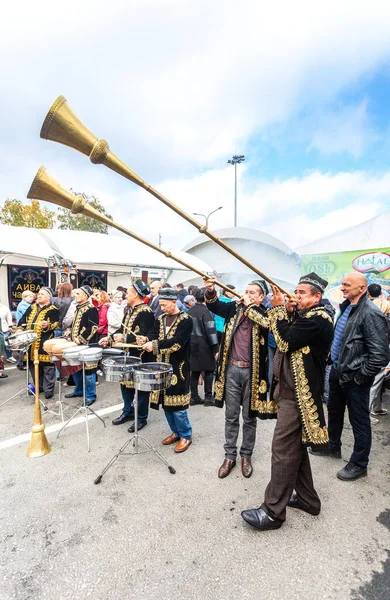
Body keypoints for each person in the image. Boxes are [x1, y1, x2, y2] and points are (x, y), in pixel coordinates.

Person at [241, 273, 334, 531]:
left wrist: (279, 308)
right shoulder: (306, 316)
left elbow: (285, 339)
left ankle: (273, 512)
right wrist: (288, 310)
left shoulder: (320, 319)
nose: (297, 295)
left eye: (302, 293)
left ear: (317, 297)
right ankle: (308, 500)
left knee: (282, 452)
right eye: (296, 291)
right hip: (288, 394)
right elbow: (287, 330)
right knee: (296, 450)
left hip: (298, 398)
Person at [312, 272, 389, 481]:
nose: (343, 287)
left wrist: (359, 377)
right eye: (343, 284)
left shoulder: (371, 313)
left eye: (348, 285)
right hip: (338, 371)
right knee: (334, 412)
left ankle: (359, 463)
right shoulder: (347, 306)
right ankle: (333, 447)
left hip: (355, 378)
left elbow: (380, 355)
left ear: (362, 289)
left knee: (359, 420)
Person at [204, 278, 270, 479]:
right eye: (246, 291)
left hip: (253, 373)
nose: (247, 295)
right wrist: (210, 290)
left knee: (249, 417)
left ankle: (246, 456)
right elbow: (214, 305)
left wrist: (250, 306)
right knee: (231, 415)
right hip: (231, 369)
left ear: (261, 297)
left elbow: (267, 324)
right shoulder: (234, 308)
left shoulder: (266, 314)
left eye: (252, 293)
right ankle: (229, 456)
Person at [139, 287, 193, 453]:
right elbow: (153, 334)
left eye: (164, 305)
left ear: (173, 301)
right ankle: (175, 432)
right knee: (165, 402)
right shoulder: (161, 318)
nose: (162, 308)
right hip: (160, 366)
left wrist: (153, 345)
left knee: (177, 405)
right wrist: (146, 339)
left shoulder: (186, 320)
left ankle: (186, 435)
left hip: (178, 367)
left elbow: (177, 343)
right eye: (160, 305)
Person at [101, 280, 154, 431]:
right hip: (128, 353)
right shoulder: (130, 309)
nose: (126, 297)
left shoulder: (145, 311)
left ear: (136, 295)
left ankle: (141, 417)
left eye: (129, 294)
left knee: (141, 387)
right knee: (125, 384)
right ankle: (128, 411)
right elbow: (122, 331)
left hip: (141, 355)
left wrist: (123, 339)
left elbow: (143, 335)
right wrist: (110, 338)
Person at [18, 287, 59, 399]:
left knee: (47, 367)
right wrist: (19, 329)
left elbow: (55, 323)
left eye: (42, 294)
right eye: (39, 294)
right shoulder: (31, 308)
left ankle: (48, 389)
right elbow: (22, 321)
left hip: (45, 342)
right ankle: (39, 386)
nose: (39, 295)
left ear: (49, 297)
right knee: (33, 365)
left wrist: (48, 325)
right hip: (30, 343)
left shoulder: (53, 309)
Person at [64, 286, 99, 406]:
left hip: (87, 345)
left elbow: (93, 327)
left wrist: (81, 338)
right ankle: (78, 390)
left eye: (78, 293)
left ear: (85, 296)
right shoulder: (78, 308)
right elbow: (76, 324)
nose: (75, 295)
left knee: (89, 371)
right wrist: (69, 330)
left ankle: (90, 396)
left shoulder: (91, 309)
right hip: (76, 344)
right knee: (76, 369)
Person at [187, 288, 218, 406]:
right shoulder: (206, 312)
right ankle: (208, 397)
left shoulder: (189, 311)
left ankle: (194, 397)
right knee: (209, 370)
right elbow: (211, 331)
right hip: (204, 345)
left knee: (194, 371)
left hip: (192, 344)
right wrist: (215, 347)